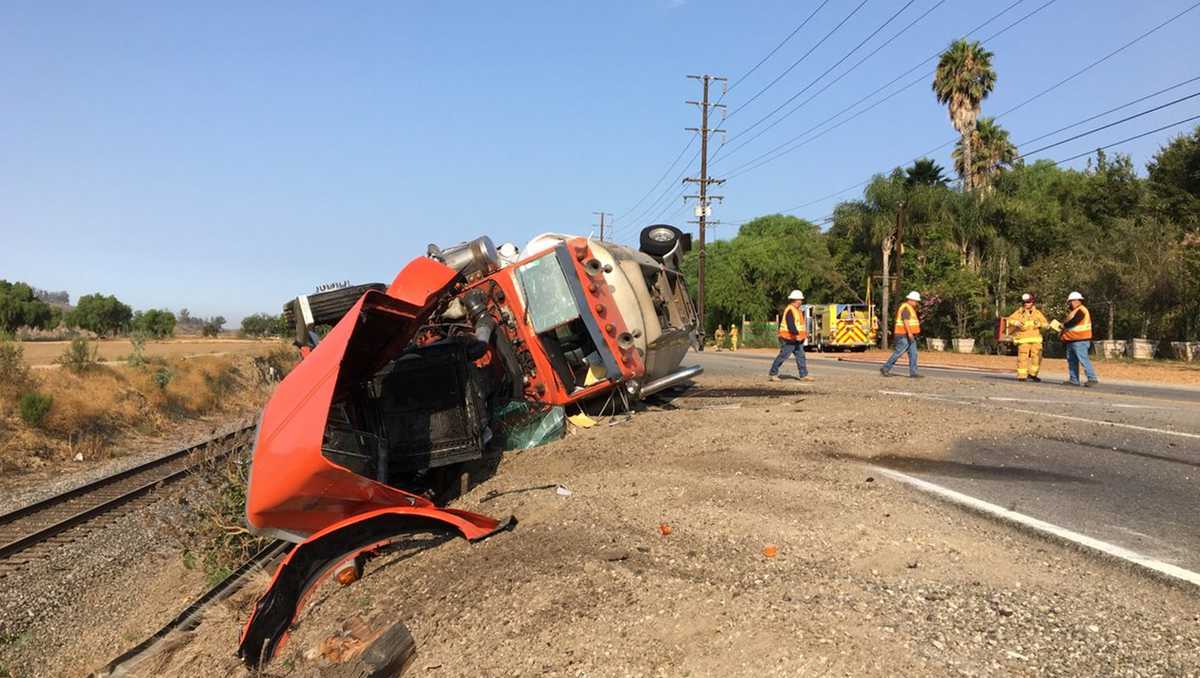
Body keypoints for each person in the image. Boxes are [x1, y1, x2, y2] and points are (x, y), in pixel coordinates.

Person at [769, 290, 813, 382]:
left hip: (797, 339)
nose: (801, 301)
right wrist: (796, 334)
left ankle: (803, 375)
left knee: (801, 357)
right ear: (795, 300)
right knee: (783, 356)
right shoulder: (790, 310)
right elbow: (790, 325)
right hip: (788, 339)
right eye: (800, 299)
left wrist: (803, 335)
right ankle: (773, 374)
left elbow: (799, 325)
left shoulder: (798, 310)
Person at [1006, 293, 1048, 382]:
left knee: (1037, 358)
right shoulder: (1019, 312)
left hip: (1036, 340)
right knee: (1022, 358)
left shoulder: (1037, 313)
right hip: (1023, 339)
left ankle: (1033, 374)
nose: (1026, 304)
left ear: (1032, 302)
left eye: (1028, 302)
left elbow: (1046, 324)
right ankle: (1022, 375)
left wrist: (1039, 324)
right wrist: (1015, 323)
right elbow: (1009, 320)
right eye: (1024, 302)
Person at [1061, 291, 1099, 387]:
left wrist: (1064, 325)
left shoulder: (1081, 310)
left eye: (1070, 302)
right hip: (1072, 340)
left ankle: (1092, 378)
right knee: (1072, 360)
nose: (1069, 304)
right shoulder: (1074, 311)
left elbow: (1076, 321)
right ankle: (1074, 380)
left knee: (1083, 359)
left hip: (1080, 340)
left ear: (1077, 300)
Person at [881, 291, 922, 378]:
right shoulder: (906, 308)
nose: (916, 303)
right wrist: (910, 333)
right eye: (916, 301)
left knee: (913, 353)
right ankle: (885, 368)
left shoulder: (910, 308)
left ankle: (913, 373)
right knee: (899, 352)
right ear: (911, 300)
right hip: (903, 334)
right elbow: (905, 321)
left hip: (909, 334)